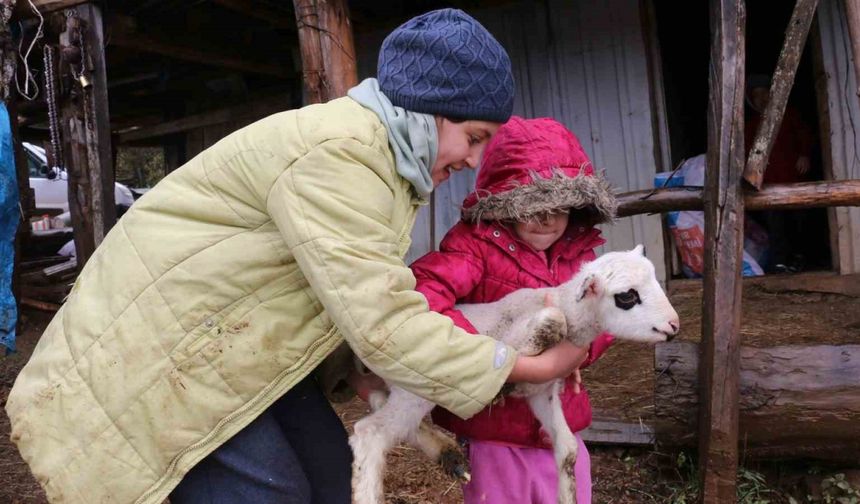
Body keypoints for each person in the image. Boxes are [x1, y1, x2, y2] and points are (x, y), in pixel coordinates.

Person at [5, 9, 589, 504]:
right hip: (161, 353)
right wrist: (527, 368)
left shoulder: (383, 165)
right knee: (271, 493)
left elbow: (322, 291)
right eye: (476, 137)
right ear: (431, 110)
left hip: (227, 342)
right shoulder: (340, 156)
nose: (472, 159)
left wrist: (357, 373)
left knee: (330, 479)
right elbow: (383, 316)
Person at [410, 116, 618, 504]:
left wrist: (580, 348)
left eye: (560, 206)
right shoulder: (474, 248)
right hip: (496, 431)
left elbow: (606, 313)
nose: (547, 219)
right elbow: (423, 295)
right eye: (531, 204)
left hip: (561, 427)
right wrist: (486, 353)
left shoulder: (579, 256)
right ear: (505, 202)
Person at [745, 73, 816, 273]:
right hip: (767, 185)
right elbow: (745, 153)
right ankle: (780, 262)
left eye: (765, 94)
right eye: (756, 95)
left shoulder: (789, 115)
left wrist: (804, 155)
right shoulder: (751, 126)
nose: (762, 99)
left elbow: (805, 136)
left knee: (798, 222)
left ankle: (799, 257)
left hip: (793, 180)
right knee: (776, 225)